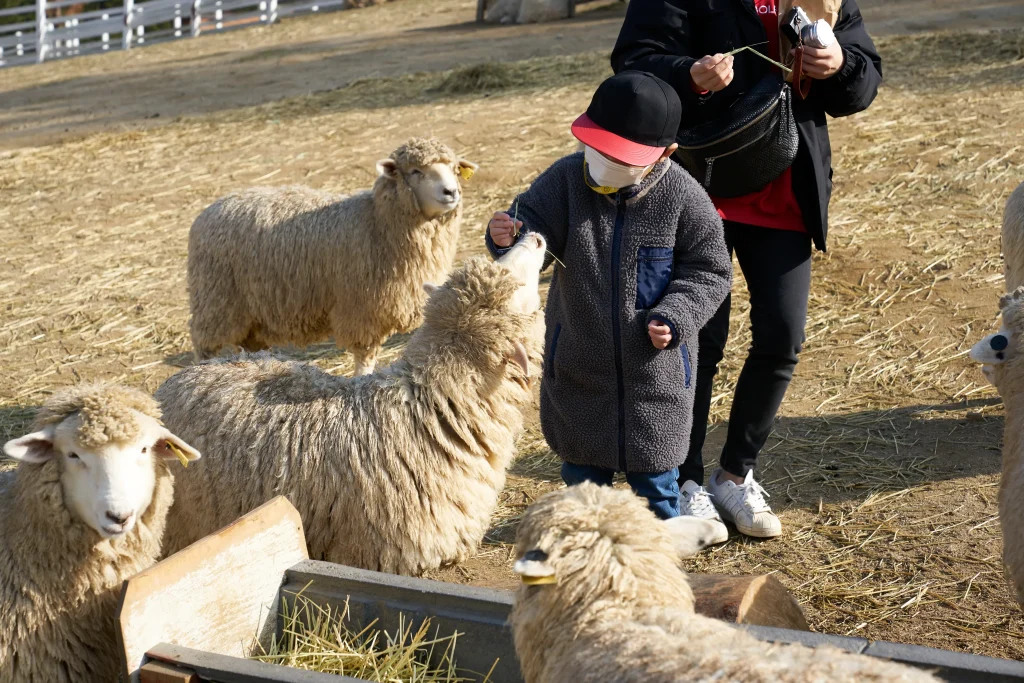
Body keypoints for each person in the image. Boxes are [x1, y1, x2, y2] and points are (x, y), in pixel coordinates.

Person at [611, 0, 882, 538]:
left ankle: (735, 474)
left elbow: (864, 79)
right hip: (700, 184)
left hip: (785, 188)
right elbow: (634, 61)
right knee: (697, 342)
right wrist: (689, 76)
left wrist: (840, 67)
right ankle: (683, 482)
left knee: (783, 337)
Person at [486, 71, 732, 525]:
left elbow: (711, 270)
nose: (604, 163)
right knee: (581, 486)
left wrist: (676, 314)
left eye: (623, 158)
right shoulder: (565, 180)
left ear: (666, 154)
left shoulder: (683, 197)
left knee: (658, 487)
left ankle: (658, 555)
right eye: (599, 149)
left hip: (653, 377)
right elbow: (530, 226)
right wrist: (508, 237)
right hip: (579, 365)